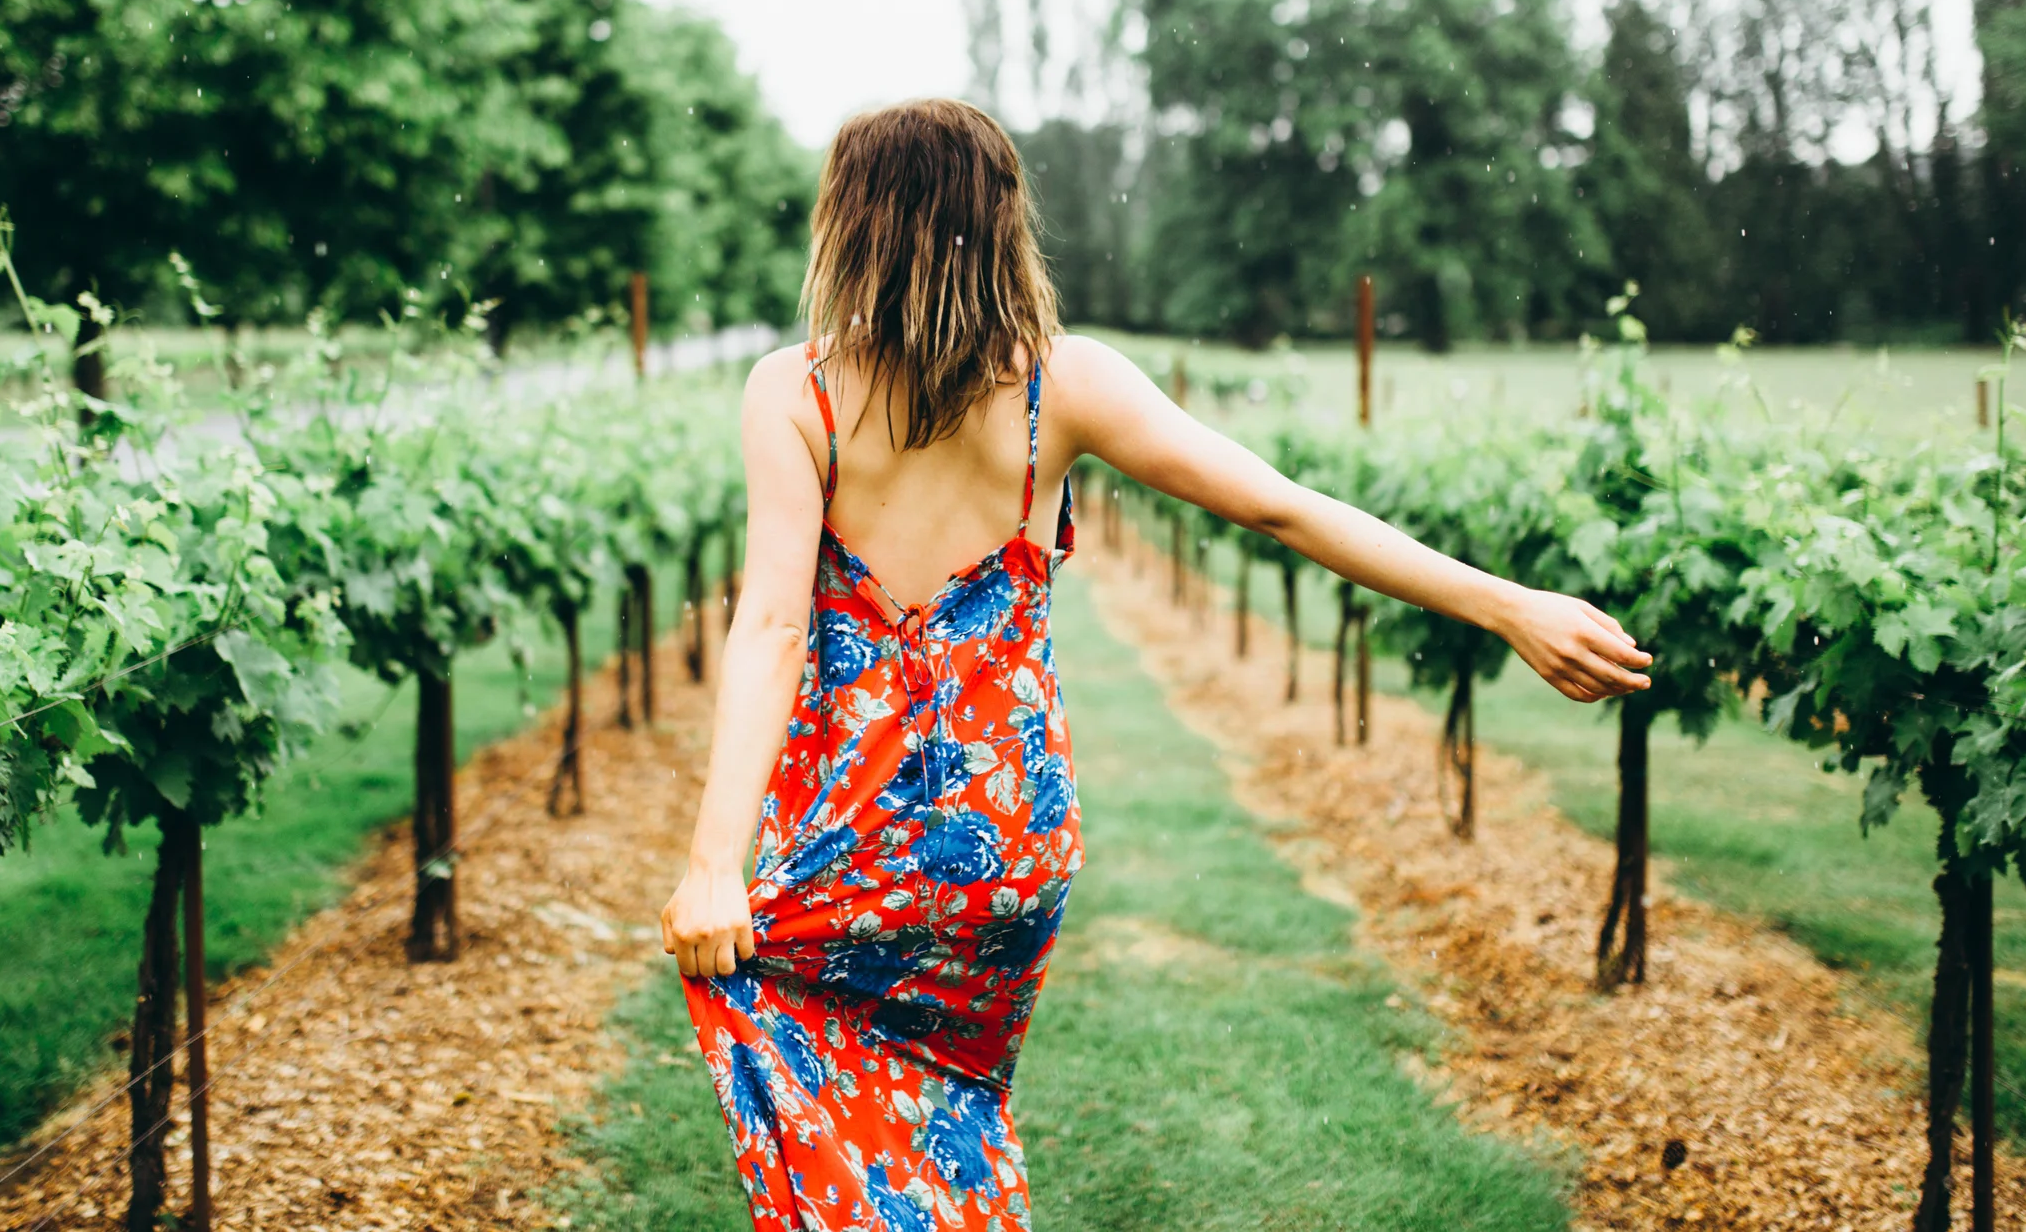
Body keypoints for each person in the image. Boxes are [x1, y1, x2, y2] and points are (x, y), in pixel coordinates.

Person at [660, 97, 1651, 1231]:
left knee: (818, 1085)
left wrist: (714, 864)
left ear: (852, 224)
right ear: (999, 220)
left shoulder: (794, 393)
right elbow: (1280, 507)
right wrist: (1506, 602)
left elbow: (773, 625)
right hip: (1006, 848)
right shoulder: (1063, 384)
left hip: (853, 840)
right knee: (952, 1103)